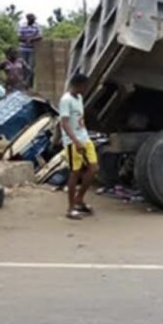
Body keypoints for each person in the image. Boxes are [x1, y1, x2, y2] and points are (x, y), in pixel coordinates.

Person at [59, 73, 98, 220]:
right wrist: (75, 141)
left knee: (93, 169)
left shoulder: (79, 98)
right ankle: (70, 208)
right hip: (72, 142)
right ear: (78, 85)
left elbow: (79, 119)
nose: (85, 89)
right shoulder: (66, 100)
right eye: (84, 86)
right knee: (74, 172)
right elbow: (64, 123)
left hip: (84, 138)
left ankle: (79, 199)